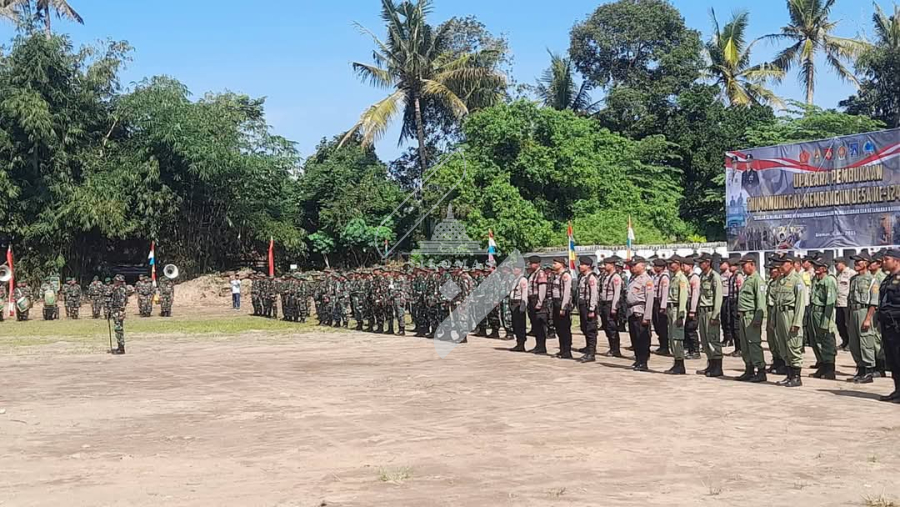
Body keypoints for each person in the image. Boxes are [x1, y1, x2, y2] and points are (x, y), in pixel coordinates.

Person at [772, 255, 807, 387]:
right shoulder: (780, 279)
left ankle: (796, 377)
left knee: (793, 346)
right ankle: (789, 375)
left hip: (790, 314)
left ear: (791, 264)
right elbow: (776, 301)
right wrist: (773, 319)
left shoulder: (797, 280)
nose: (780, 266)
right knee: (783, 346)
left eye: (783, 263)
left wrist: (797, 322)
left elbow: (800, 303)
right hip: (780, 314)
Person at [847, 253, 879, 384]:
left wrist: (868, 319)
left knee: (866, 341)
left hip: (864, 311)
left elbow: (874, 302)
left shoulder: (872, 280)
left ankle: (869, 371)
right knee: (854, 343)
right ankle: (860, 369)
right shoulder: (853, 279)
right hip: (853, 311)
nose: (856, 264)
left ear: (866, 263)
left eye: (858, 261)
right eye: (855, 262)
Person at [736, 255, 767, 382]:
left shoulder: (757, 280)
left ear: (752, 264)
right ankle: (749, 369)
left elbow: (761, 302)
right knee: (745, 345)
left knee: (753, 344)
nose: (742, 268)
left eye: (744, 265)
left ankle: (760, 370)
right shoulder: (747, 279)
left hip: (751, 316)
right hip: (743, 316)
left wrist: (757, 320)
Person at [808, 258, 838, 379]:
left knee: (827, 341)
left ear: (824, 268)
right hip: (814, 311)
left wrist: (825, 321)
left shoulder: (829, 281)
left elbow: (830, 302)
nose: (815, 268)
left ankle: (829, 369)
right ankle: (822, 365)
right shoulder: (816, 279)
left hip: (823, 312)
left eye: (818, 266)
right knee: (816, 341)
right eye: (814, 266)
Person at [876, 249, 900, 403]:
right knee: (892, 360)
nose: (884, 262)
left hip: (897, 324)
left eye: (887, 259)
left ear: (897, 261)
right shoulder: (887, 279)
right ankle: (898, 390)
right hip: (888, 325)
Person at [696, 254, 724, 377]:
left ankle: (717, 367)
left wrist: (715, 315)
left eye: (701, 262)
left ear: (708, 262)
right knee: (705, 340)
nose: (699, 264)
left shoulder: (714, 277)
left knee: (713, 339)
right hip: (702, 311)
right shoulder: (703, 276)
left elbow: (718, 297)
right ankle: (711, 364)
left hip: (711, 311)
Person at [626, 257, 654, 372]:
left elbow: (650, 299)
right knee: (634, 337)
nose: (632, 267)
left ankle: (643, 361)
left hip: (640, 311)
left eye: (635, 265)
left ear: (643, 265)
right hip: (632, 311)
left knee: (642, 338)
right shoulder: (634, 278)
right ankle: (638, 359)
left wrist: (647, 317)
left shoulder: (647, 280)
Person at [664, 257, 689, 375]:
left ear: (679, 264)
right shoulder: (673, 278)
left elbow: (683, 297)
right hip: (671, 308)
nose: (670, 265)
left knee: (677, 338)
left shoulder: (681, 279)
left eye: (672, 263)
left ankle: (680, 364)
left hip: (677, 309)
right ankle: (676, 362)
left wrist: (681, 315)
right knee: (672, 337)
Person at [576, 256, 600, 363]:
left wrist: (592, 309)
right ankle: (588, 348)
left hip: (588, 305)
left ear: (588, 266)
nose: (580, 266)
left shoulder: (591, 278)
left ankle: (591, 353)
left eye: (582, 264)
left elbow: (594, 294)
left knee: (591, 329)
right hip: (582, 305)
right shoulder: (582, 277)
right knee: (584, 327)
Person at [549, 257, 574, 359]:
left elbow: (567, 293)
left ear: (562, 264)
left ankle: (567, 351)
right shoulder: (556, 276)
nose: (553, 265)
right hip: (556, 303)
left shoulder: (565, 276)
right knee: (558, 328)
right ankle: (562, 349)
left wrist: (563, 307)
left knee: (564, 328)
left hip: (562, 303)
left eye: (555, 263)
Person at [599, 256, 623, 357]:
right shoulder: (606, 276)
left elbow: (617, 293)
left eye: (606, 264)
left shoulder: (616, 277)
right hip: (604, 304)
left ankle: (615, 349)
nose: (604, 266)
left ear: (612, 265)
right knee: (607, 326)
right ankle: (612, 347)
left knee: (612, 327)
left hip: (610, 304)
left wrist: (614, 307)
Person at [526, 256, 549, 355]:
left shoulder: (540, 273)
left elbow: (542, 289)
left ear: (537, 264)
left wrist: (540, 302)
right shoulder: (532, 274)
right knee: (535, 324)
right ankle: (538, 345)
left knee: (540, 324)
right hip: (532, 300)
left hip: (537, 300)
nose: (530, 265)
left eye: (532, 263)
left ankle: (541, 346)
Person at [682, 256, 701, 360]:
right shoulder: (686, 277)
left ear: (690, 266)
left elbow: (695, 295)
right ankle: (690, 349)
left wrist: (693, 310)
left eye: (684, 265)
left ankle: (695, 351)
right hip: (686, 303)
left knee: (691, 329)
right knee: (686, 329)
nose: (682, 267)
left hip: (692, 304)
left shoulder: (694, 277)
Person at [508, 264, 529, 352]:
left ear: (520, 270)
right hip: (513, 304)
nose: (514, 270)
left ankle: (521, 344)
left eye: (516, 268)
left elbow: (524, 294)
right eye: (513, 268)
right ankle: (518, 342)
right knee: (515, 324)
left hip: (519, 303)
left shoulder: (523, 280)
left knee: (520, 325)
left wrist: (523, 307)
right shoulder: (515, 279)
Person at [109, 274, 132, 355]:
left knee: (118, 329)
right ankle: (119, 346)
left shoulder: (121, 290)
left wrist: (120, 311)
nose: (114, 282)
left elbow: (121, 302)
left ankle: (121, 348)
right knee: (117, 329)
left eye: (116, 281)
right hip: (116, 310)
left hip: (118, 311)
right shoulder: (117, 289)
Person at [652, 259, 670, 356]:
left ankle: (664, 346)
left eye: (656, 266)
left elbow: (665, 292)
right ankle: (661, 345)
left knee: (662, 325)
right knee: (657, 325)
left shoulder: (664, 277)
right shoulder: (656, 276)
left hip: (660, 303)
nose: (654, 268)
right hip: (655, 302)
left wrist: (663, 306)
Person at [835, 257, 853, 351]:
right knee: (839, 323)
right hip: (838, 303)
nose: (836, 266)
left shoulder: (851, 273)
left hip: (846, 303)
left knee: (848, 324)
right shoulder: (838, 274)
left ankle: (850, 343)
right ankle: (844, 341)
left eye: (837, 264)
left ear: (843, 263)